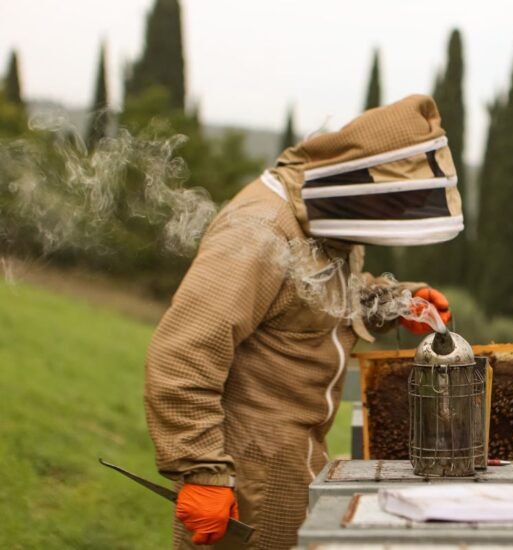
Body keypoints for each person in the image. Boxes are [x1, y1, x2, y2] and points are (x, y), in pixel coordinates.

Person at [144, 95, 463, 549]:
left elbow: (312, 296)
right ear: (362, 180)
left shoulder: (329, 219)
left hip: (296, 457)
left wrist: (393, 303)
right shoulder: (260, 230)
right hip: (244, 469)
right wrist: (202, 472)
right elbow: (184, 353)